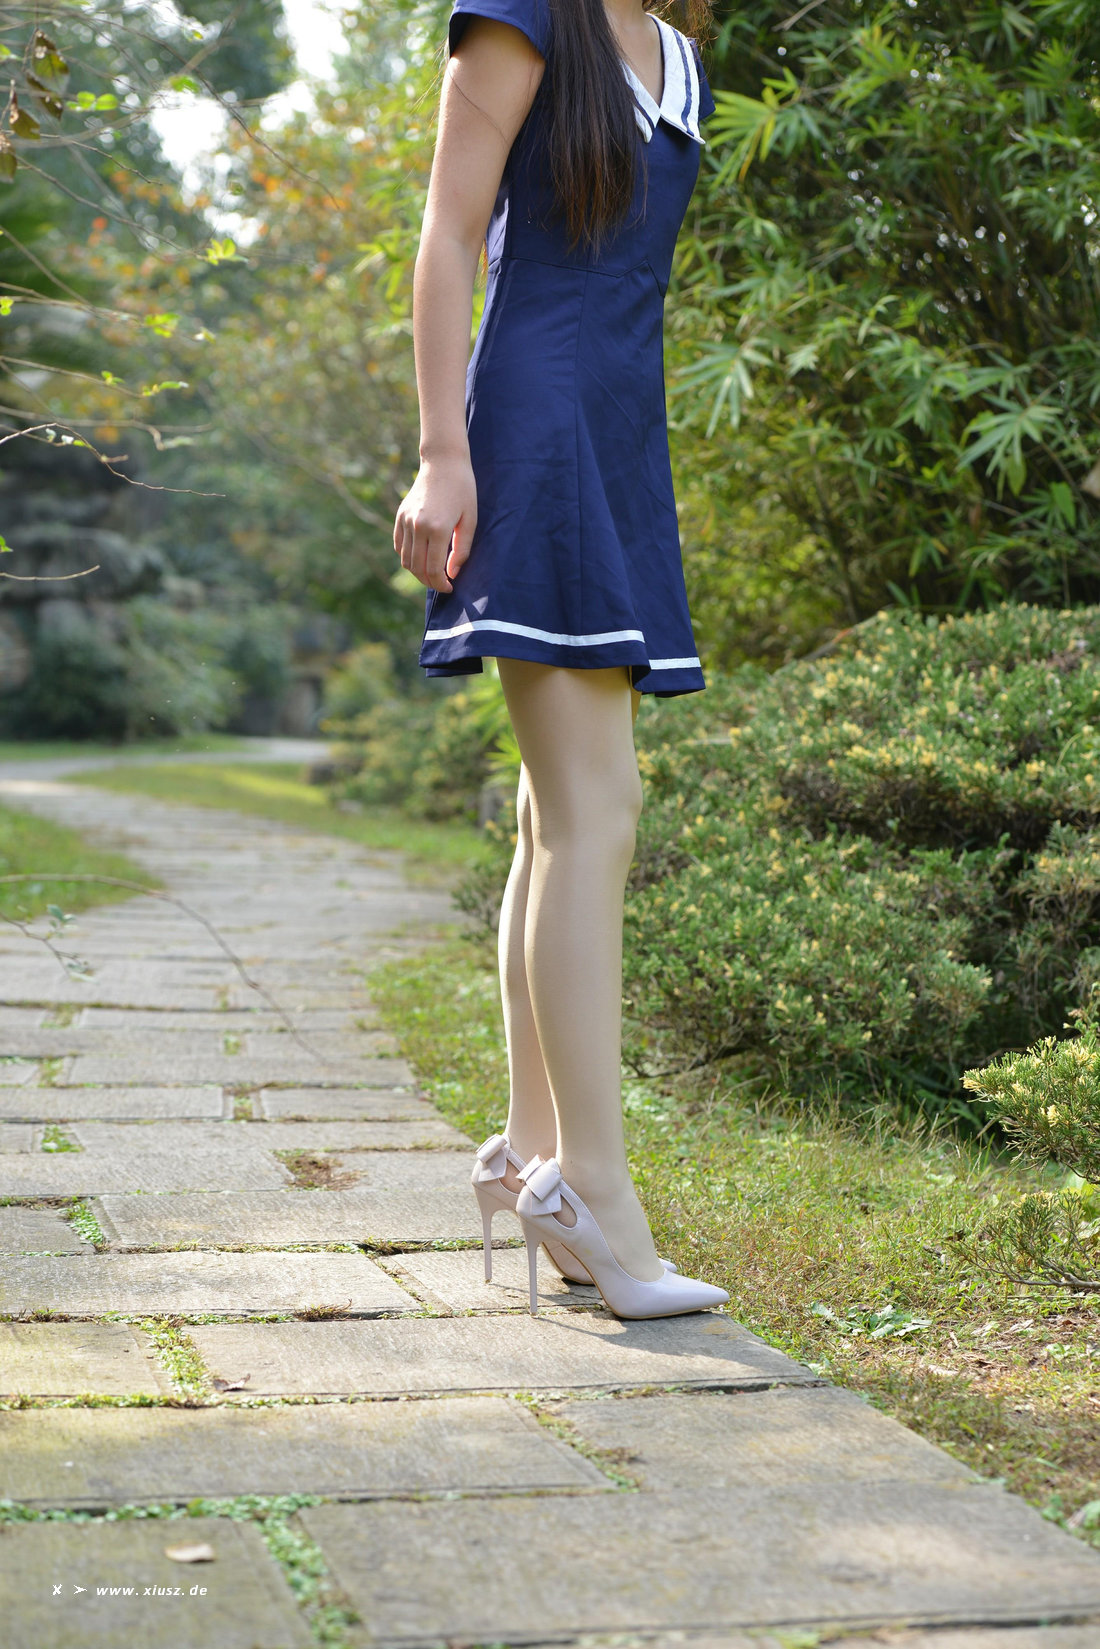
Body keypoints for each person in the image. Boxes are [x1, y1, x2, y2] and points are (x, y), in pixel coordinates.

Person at [393, 0, 729, 1320]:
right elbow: (448, 229)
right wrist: (442, 452)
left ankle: (531, 1156)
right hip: (533, 420)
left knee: (556, 816)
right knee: (599, 808)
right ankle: (594, 1186)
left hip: (621, 432)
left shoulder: (680, 58)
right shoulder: (527, 13)